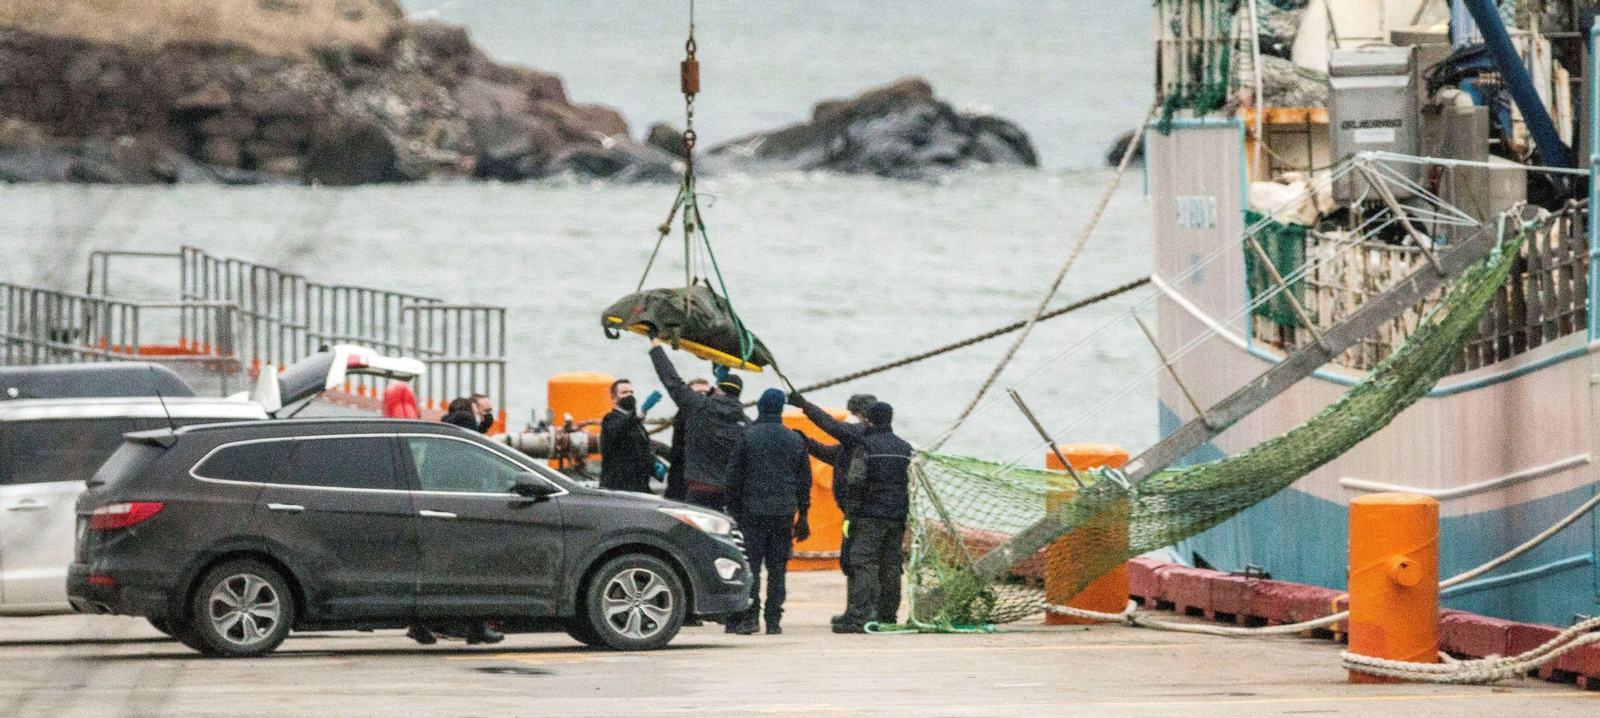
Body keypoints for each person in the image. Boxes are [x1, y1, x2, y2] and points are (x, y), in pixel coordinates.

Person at [790, 394, 911, 633]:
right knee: (890, 566)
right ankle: (887, 616)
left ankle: (859, 617)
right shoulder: (904, 447)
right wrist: (807, 441)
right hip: (896, 517)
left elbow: (856, 481)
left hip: (866, 515)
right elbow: (832, 454)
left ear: (868, 420)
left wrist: (803, 405)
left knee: (861, 563)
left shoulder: (864, 444)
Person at [408, 397, 505, 646]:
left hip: (439, 511)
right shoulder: (463, 426)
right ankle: (477, 627)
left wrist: (484, 424)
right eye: (478, 411)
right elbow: (476, 454)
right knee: (474, 571)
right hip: (464, 511)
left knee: (439, 571)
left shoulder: (444, 433)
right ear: (470, 412)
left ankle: (419, 623)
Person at [723, 388, 813, 635]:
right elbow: (804, 481)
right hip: (784, 512)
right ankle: (774, 620)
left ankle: (750, 617)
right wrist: (803, 515)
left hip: (752, 511)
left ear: (760, 407)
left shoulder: (748, 436)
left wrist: (733, 509)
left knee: (750, 566)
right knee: (777, 568)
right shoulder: (794, 439)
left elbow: (734, 477)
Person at [648, 338, 748, 512]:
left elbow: (671, 380)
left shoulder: (699, 409)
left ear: (716, 390)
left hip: (698, 491)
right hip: (728, 494)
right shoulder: (746, 423)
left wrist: (656, 345)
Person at [599, 379, 654, 493]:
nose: (629, 395)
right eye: (624, 393)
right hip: (618, 488)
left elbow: (640, 448)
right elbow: (620, 428)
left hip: (639, 485)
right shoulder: (610, 419)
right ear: (613, 398)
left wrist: (653, 464)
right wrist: (640, 412)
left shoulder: (635, 422)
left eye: (631, 392)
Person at [664, 377, 712, 501]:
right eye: (697, 393)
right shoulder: (685, 414)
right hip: (680, 477)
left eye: (706, 393)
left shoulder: (710, 416)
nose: (702, 396)